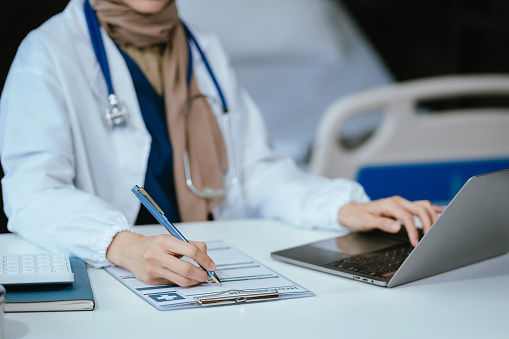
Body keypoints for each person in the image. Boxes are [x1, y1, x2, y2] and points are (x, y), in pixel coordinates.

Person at [0, 0, 442, 287]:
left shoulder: (203, 48)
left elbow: (255, 170)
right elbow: (33, 193)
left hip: (215, 266)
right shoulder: (49, 55)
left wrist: (344, 207)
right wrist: (121, 244)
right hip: (118, 274)